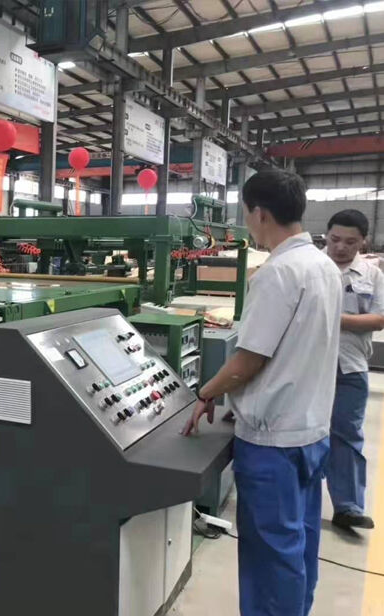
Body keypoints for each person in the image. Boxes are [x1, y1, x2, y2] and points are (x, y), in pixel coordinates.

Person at [182, 169, 342, 616]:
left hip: (273, 442)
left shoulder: (279, 273)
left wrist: (205, 393)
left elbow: (248, 361)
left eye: (247, 213)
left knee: (270, 554)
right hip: (311, 430)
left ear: (260, 213)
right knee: (299, 542)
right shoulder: (324, 266)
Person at [324, 209, 384, 531]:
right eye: (335, 239)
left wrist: (334, 319)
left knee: (346, 432)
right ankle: (300, 499)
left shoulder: (372, 275)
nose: (340, 247)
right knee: (301, 433)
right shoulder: (311, 267)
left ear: (363, 241)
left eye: (350, 242)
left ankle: (348, 507)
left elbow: (379, 318)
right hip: (307, 365)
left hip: (350, 366)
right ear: (326, 235)